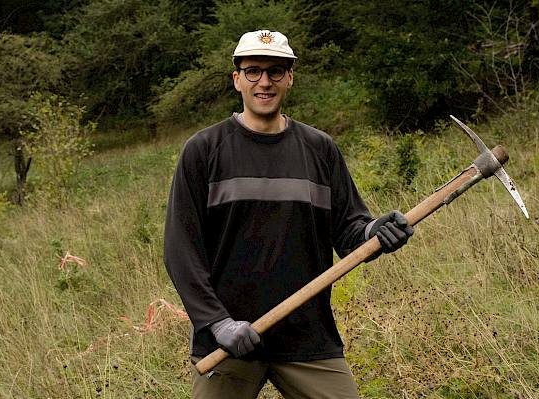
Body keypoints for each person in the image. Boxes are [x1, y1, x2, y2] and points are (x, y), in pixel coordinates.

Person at [163, 30, 415, 398]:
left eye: (275, 72)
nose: (264, 82)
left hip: (308, 338)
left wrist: (376, 231)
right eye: (253, 71)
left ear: (290, 78)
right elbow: (180, 250)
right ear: (237, 79)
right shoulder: (203, 150)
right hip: (228, 342)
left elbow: (350, 230)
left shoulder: (320, 149)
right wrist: (218, 323)